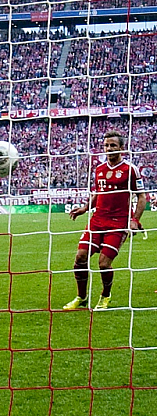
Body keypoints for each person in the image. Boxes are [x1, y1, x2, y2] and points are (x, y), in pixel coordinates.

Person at [63, 130, 146, 311]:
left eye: (113, 145)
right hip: (97, 220)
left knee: (103, 263)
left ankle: (105, 295)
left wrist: (134, 220)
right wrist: (85, 208)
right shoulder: (99, 170)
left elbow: (141, 197)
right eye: (106, 145)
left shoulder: (130, 170)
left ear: (122, 148)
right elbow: (97, 193)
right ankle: (81, 297)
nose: (109, 148)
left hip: (118, 222)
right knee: (80, 257)